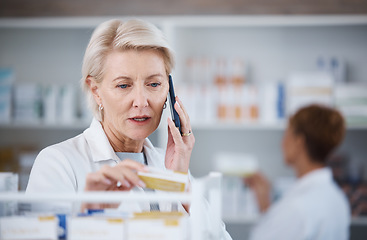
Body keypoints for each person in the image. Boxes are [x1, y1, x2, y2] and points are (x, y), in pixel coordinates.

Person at [26, 18, 231, 239]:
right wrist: (89, 217)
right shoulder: (58, 163)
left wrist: (182, 183)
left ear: (169, 92)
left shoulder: (171, 166)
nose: (141, 101)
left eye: (154, 84)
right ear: (95, 90)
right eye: (124, 85)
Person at [245, 104, 350, 240]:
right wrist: (265, 204)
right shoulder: (337, 198)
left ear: (299, 142)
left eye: (286, 135)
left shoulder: (297, 208)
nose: (282, 143)